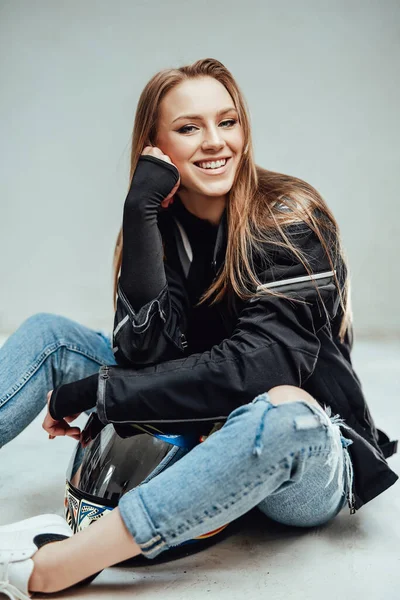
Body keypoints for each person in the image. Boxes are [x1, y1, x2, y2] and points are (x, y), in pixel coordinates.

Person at [0, 57, 398, 598]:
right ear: (155, 148)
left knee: (284, 408)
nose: (216, 142)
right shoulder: (158, 221)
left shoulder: (289, 215)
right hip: (194, 413)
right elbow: (143, 353)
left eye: (227, 121)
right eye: (190, 128)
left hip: (296, 458)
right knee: (52, 334)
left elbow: (260, 367)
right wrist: (139, 211)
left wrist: (100, 391)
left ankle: (64, 563)